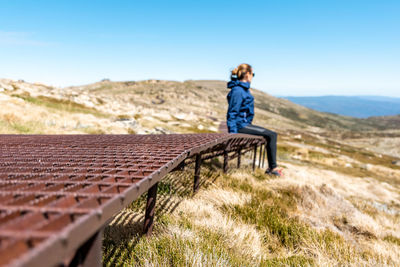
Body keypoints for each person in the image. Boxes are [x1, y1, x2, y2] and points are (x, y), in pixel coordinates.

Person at [226, 63, 281, 176]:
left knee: (271, 134)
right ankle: (273, 168)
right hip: (240, 125)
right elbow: (232, 113)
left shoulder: (244, 89)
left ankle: (272, 167)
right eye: (253, 74)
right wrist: (232, 134)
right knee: (272, 135)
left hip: (245, 123)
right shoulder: (238, 91)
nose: (252, 76)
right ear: (247, 74)